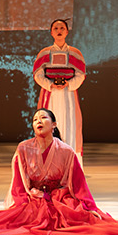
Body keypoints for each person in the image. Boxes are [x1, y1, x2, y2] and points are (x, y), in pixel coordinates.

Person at [33, 17, 86, 157]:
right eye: (56, 28)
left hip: (68, 93)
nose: (59, 31)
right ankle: (48, 161)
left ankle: (70, 162)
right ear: (51, 32)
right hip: (50, 94)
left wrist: (69, 83)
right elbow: (38, 74)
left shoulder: (75, 53)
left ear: (67, 32)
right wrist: (50, 84)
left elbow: (81, 74)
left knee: (70, 125)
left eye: (62, 28)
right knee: (47, 123)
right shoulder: (44, 53)